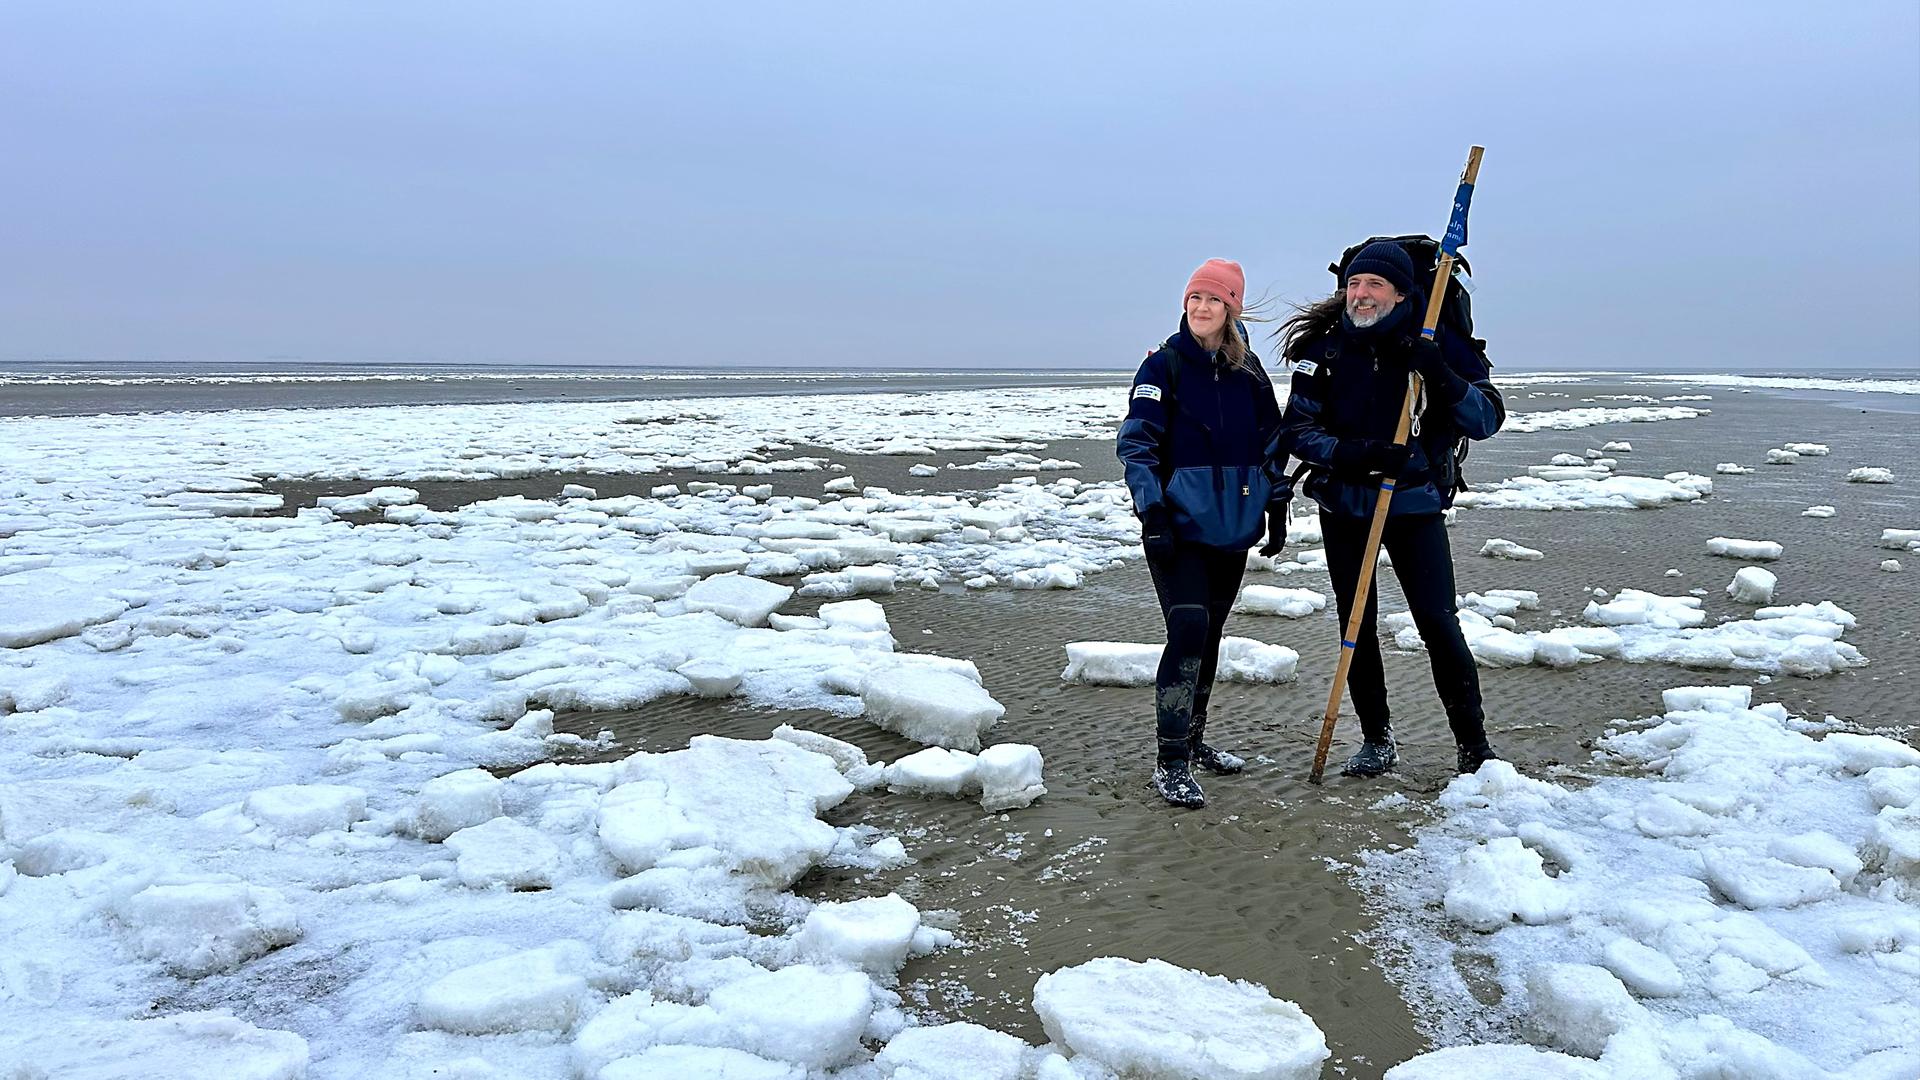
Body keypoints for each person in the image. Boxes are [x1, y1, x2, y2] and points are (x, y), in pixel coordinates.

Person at [1272, 240, 1504, 776]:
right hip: (1345, 506)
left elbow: (1487, 419)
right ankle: (1376, 739)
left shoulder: (1434, 343)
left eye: (1374, 284)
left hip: (1415, 506)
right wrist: (1357, 456)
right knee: (1357, 626)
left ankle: (1474, 748)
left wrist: (1441, 375)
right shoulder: (1323, 353)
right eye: (1354, 283)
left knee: (1438, 623)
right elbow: (1297, 432)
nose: (1361, 293)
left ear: (1402, 293)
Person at [1116, 258, 1286, 808]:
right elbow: (1136, 444)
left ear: (1231, 308)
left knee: (1210, 635)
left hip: (1232, 526)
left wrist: (1276, 504)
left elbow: (1271, 445)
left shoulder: (1250, 373)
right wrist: (1154, 514)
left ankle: (1195, 739)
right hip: (1177, 528)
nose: (1201, 308)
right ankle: (1170, 761)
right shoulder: (1162, 367)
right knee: (1188, 630)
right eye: (1194, 298)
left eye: (1214, 300)